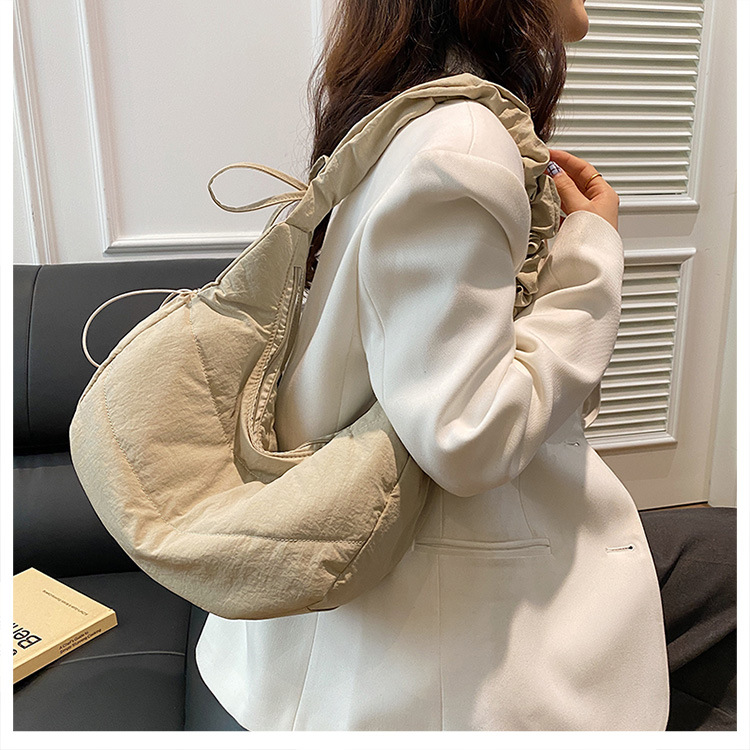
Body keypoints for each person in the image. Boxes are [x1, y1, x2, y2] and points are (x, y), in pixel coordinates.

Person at [189, 0, 736, 731]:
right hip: (437, 648)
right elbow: (467, 435)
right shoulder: (466, 142)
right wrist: (591, 253)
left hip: (413, 600)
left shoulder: (413, 119)